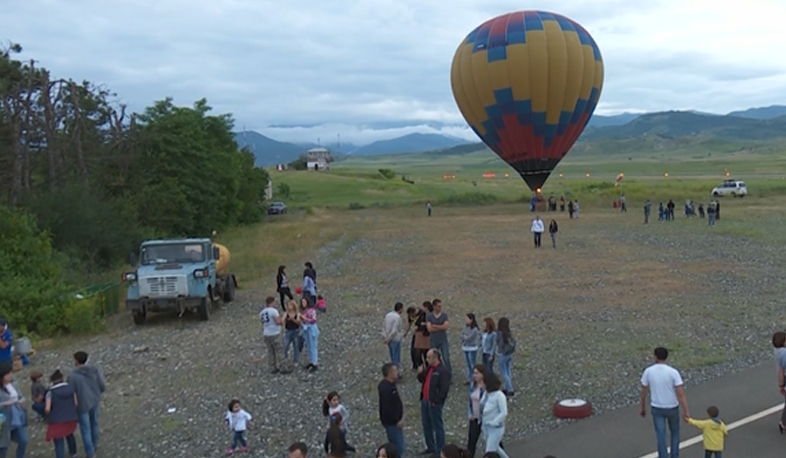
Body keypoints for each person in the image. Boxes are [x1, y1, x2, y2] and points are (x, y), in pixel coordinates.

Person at [640, 347, 690, 458]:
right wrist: (686, 411)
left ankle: (663, 456)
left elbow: (644, 392)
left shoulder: (648, 371)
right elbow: (681, 394)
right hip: (672, 407)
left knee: (660, 434)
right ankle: (674, 455)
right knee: (675, 433)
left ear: (655, 356)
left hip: (657, 407)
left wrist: (643, 407)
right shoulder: (673, 372)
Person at [67, 351, 105, 458]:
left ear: (76, 360)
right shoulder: (94, 370)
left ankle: (90, 453)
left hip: (82, 404)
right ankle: (94, 445)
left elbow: (70, 391)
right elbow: (102, 385)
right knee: (95, 424)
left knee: (85, 429)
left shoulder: (73, 376)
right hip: (95, 401)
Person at [418, 349, 451, 456]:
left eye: (429, 357)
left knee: (437, 426)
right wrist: (420, 373)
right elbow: (422, 380)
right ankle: (430, 446)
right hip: (425, 400)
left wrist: (436, 401)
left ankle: (440, 450)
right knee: (426, 424)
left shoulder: (443, 371)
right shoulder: (429, 368)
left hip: (434, 402)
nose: (426, 360)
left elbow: (444, 389)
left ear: (435, 358)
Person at [44, 369, 78, 458]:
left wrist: (46, 415)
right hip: (70, 417)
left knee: (58, 440)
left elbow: (47, 409)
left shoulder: (50, 392)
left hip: (56, 419)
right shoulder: (71, 388)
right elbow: (76, 403)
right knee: (70, 434)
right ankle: (73, 453)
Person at [378, 363, 405, 457]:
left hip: (391, 420)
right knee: (398, 447)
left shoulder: (386, 385)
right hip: (392, 422)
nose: (397, 373)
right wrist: (397, 420)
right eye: (395, 371)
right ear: (390, 373)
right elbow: (387, 407)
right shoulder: (387, 388)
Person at [481, 372, 509, 458]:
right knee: (496, 447)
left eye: (483, 381)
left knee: (490, 451)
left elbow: (504, 412)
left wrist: (494, 422)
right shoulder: (486, 393)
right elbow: (482, 406)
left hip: (496, 428)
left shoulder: (499, 395)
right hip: (486, 426)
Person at [467, 364, 487, 458]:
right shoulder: (473, 384)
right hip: (474, 418)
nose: (474, 375)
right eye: (474, 373)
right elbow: (470, 401)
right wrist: (470, 413)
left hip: (485, 419)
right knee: (471, 442)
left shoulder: (487, 387)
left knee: (493, 442)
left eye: (477, 373)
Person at [426, 299, 451, 372]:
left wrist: (435, 326)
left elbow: (446, 327)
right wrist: (441, 327)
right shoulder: (429, 316)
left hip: (443, 340)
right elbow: (429, 329)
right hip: (433, 340)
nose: (440, 308)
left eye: (440, 306)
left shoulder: (444, 315)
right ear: (434, 306)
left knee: (446, 358)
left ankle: (448, 374)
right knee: (433, 358)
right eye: (438, 306)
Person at [260, 296, 283, 374]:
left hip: (266, 333)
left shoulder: (262, 312)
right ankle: (283, 367)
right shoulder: (274, 311)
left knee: (270, 351)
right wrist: (282, 321)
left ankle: (272, 367)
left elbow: (262, 322)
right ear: (272, 302)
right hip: (274, 332)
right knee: (279, 350)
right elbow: (277, 322)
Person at [383, 303, 405, 373]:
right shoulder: (397, 317)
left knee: (392, 357)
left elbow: (384, 326)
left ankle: (391, 372)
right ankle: (396, 374)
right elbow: (394, 330)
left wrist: (385, 337)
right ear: (400, 309)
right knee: (396, 358)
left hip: (388, 338)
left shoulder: (388, 315)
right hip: (395, 339)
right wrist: (389, 338)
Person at [496, 318, 516, 396]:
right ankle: (508, 387)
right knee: (508, 371)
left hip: (502, 354)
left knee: (503, 372)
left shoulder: (499, 333)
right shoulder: (508, 333)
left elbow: (499, 344)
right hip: (509, 354)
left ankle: (510, 389)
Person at [301, 296, 320, 372]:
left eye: (304, 302)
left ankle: (315, 363)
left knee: (313, 346)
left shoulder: (312, 310)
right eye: (302, 302)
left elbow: (313, 320)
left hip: (311, 328)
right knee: (308, 346)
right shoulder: (304, 311)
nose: (303, 304)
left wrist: (305, 319)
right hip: (306, 328)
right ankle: (311, 361)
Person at [460, 314, 480, 384]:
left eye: (467, 319)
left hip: (472, 349)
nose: (465, 320)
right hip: (465, 348)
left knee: (472, 364)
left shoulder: (475, 329)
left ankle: (475, 378)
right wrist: (464, 337)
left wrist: (465, 337)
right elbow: (461, 335)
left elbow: (469, 338)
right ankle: (470, 378)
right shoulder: (465, 327)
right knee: (468, 364)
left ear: (471, 320)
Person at [772, 331, 786, 433]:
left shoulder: (777, 352)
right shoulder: (784, 354)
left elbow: (780, 371)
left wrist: (781, 385)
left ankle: (783, 423)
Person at [283, 300, 302, 366]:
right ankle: (284, 358)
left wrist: (292, 319)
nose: (289, 307)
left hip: (295, 331)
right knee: (285, 345)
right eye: (288, 305)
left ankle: (296, 360)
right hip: (288, 331)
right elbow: (282, 320)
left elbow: (299, 322)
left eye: (290, 305)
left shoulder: (298, 314)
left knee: (296, 346)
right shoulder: (286, 313)